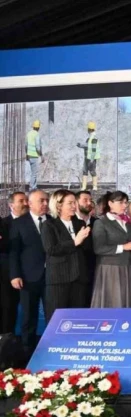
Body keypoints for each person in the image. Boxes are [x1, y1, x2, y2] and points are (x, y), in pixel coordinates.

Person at [40, 190, 92, 320]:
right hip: (59, 279)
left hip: (79, 278)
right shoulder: (49, 225)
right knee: (57, 320)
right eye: (70, 203)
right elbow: (51, 249)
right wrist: (75, 242)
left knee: (78, 319)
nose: (74, 206)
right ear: (59, 205)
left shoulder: (80, 223)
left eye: (75, 203)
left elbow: (86, 249)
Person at [9, 190, 49, 352]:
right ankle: (27, 352)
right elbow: (14, 252)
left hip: (53, 277)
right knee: (28, 316)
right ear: (30, 203)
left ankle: (52, 349)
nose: (45, 204)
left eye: (46, 201)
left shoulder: (53, 222)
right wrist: (15, 275)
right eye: (41, 201)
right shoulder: (19, 223)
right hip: (28, 277)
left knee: (53, 315)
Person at [91, 191, 131, 308]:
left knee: (127, 303)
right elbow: (99, 248)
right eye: (121, 202)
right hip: (110, 269)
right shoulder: (101, 223)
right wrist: (124, 247)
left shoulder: (129, 224)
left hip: (128, 267)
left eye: (126, 202)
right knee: (113, 303)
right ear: (110, 203)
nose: (125, 205)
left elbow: (130, 246)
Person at [1, 192, 27, 334]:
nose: (25, 203)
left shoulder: (39, 223)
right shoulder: (3, 224)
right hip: (7, 276)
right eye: (21, 201)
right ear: (11, 205)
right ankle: (6, 339)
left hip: (32, 273)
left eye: (26, 200)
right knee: (8, 308)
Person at [77, 121, 101, 191]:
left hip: (91, 159)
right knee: (85, 171)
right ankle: (84, 187)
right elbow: (86, 145)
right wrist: (80, 145)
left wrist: (92, 159)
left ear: (89, 129)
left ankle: (95, 186)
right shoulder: (89, 139)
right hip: (86, 158)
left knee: (92, 171)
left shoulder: (94, 139)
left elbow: (93, 150)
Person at [26, 120, 43, 191]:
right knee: (34, 173)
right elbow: (38, 147)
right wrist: (41, 155)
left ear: (33, 126)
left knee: (33, 172)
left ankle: (34, 187)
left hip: (29, 155)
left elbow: (26, 145)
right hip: (34, 156)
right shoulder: (37, 135)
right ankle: (32, 187)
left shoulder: (29, 134)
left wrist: (27, 154)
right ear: (38, 127)